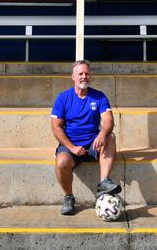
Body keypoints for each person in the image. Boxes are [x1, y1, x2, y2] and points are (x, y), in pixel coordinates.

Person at [51, 59, 121, 215]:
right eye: (80, 73)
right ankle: (69, 197)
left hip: (93, 145)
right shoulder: (63, 98)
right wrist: (71, 147)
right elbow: (55, 127)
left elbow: (109, 120)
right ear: (73, 77)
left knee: (110, 136)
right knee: (61, 162)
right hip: (71, 145)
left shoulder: (99, 96)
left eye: (87, 73)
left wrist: (102, 133)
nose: (84, 76)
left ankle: (104, 182)